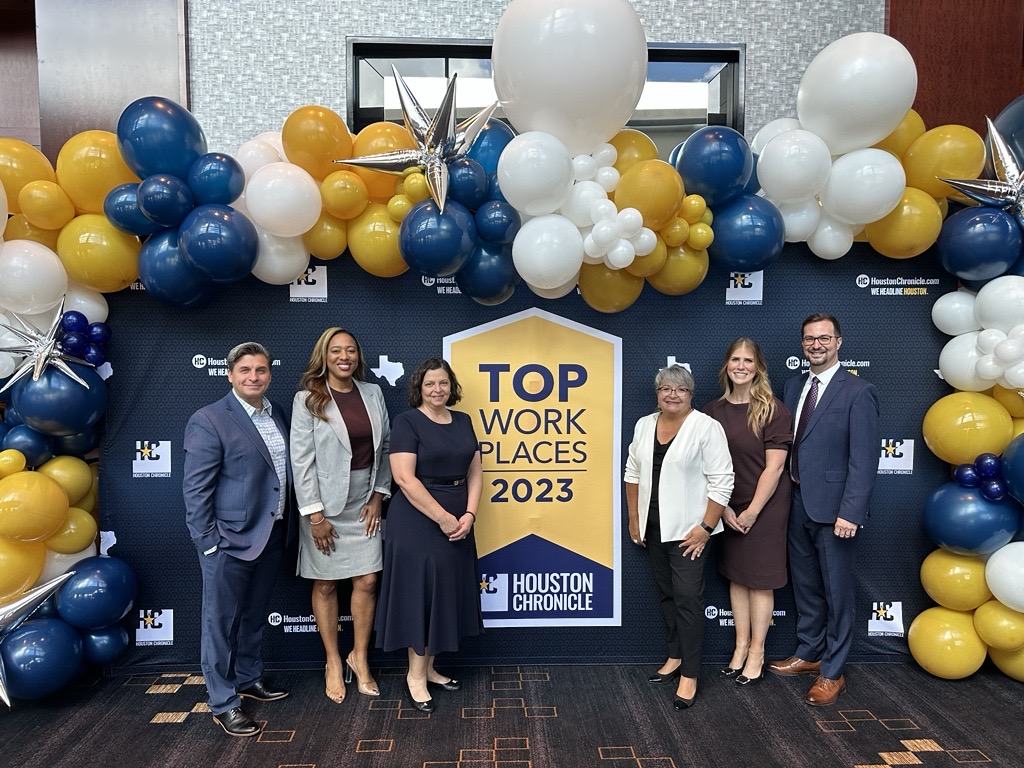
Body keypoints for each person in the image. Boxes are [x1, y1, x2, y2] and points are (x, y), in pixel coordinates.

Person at [768, 313, 880, 706]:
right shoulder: (793, 384)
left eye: (824, 338)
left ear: (838, 342)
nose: (816, 345)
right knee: (806, 587)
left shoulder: (858, 391)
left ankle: (833, 671)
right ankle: (809, 652)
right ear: (803, 344)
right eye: (809, 339)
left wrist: (851, 512)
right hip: (795, 503)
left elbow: (864, 460)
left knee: (836, 592)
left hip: (835, 512)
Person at [183, 342, 293, 738]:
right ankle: (223, 702)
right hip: (227, 541)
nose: (253, 377)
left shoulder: (275, 412)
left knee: (253, 615)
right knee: (220, 623)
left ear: (269, 374)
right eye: (245, 370)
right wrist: (208, 541)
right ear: (229, 374)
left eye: (261, 370)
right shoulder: (209, 419)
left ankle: (248, 678)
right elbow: (196, 490)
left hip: (272, 533)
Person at [374, 358, 483, 713]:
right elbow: (405, 479)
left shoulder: (464, 421)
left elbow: (475, 472)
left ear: (452, 386)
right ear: (419, 389)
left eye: (443, 383)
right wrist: (443, 518)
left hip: (457, 518)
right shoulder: (407, 422)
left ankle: (431, 668)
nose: (438, 390)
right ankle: (415, 677)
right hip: (419, 520)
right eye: (430, 384)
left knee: (443, 595)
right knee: (421, 596)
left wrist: (468, 514)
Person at [290, 328, 391, 704]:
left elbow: (387, 448)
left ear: (357, 356)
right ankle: (333, 660)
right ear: (324, 356)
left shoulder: (373, 393)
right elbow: (301, 461)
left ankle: (359, 658)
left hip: (364, 501)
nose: (344, 356)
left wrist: (380, 495)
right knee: (327, 584)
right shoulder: (308, 399)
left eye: (350, 349)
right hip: (324, 507)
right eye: (336, 350)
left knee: (367, 580)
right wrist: (315, 516)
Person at [624, 364, 734, 711]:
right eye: (666, 388)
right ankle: (673, 656)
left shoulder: (706, 428)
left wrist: (705, 528)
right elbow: (633, 472)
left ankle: (690, 674)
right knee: (668, 596)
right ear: (657, 393)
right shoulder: (644, 424)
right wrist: (634, 517)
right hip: (654, 528)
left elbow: (723, 481)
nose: (673, 394)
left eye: (681, 389)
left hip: (689, 533)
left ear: (691, 394)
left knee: (688, 600)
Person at [704, 338, 792, 687]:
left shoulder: (772, 409)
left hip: (765, 507)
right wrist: (723, 508)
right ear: (726, 365)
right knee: (737, 576)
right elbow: (707, 467)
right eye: (735, 360)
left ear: (759, 368)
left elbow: (774, 469)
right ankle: (739, 647)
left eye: (749, 361)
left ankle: (757, 651)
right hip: (727, 505)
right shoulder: (711, 412)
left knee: (760, 580)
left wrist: (753, 511)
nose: (741, 366)